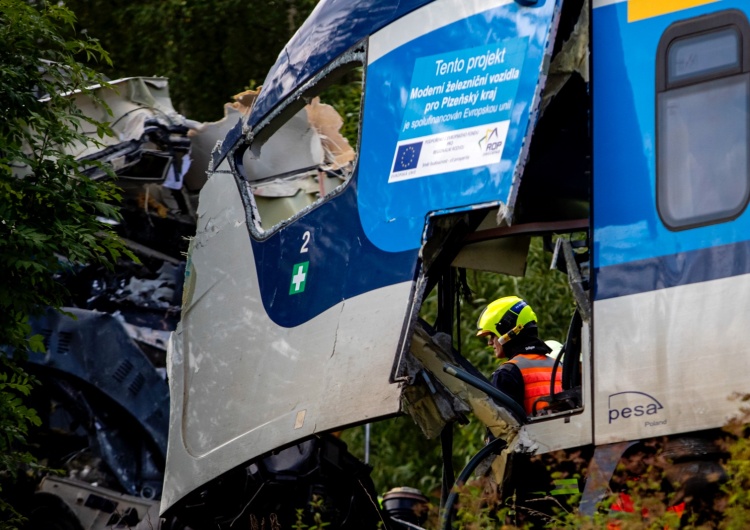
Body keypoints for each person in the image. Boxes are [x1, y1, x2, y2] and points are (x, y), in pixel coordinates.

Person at [476, 296, 562, 415]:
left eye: (492, 335)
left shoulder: (507, 373)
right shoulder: (560, 366)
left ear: (508, 331)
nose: (490, 342)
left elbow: (505, 428)